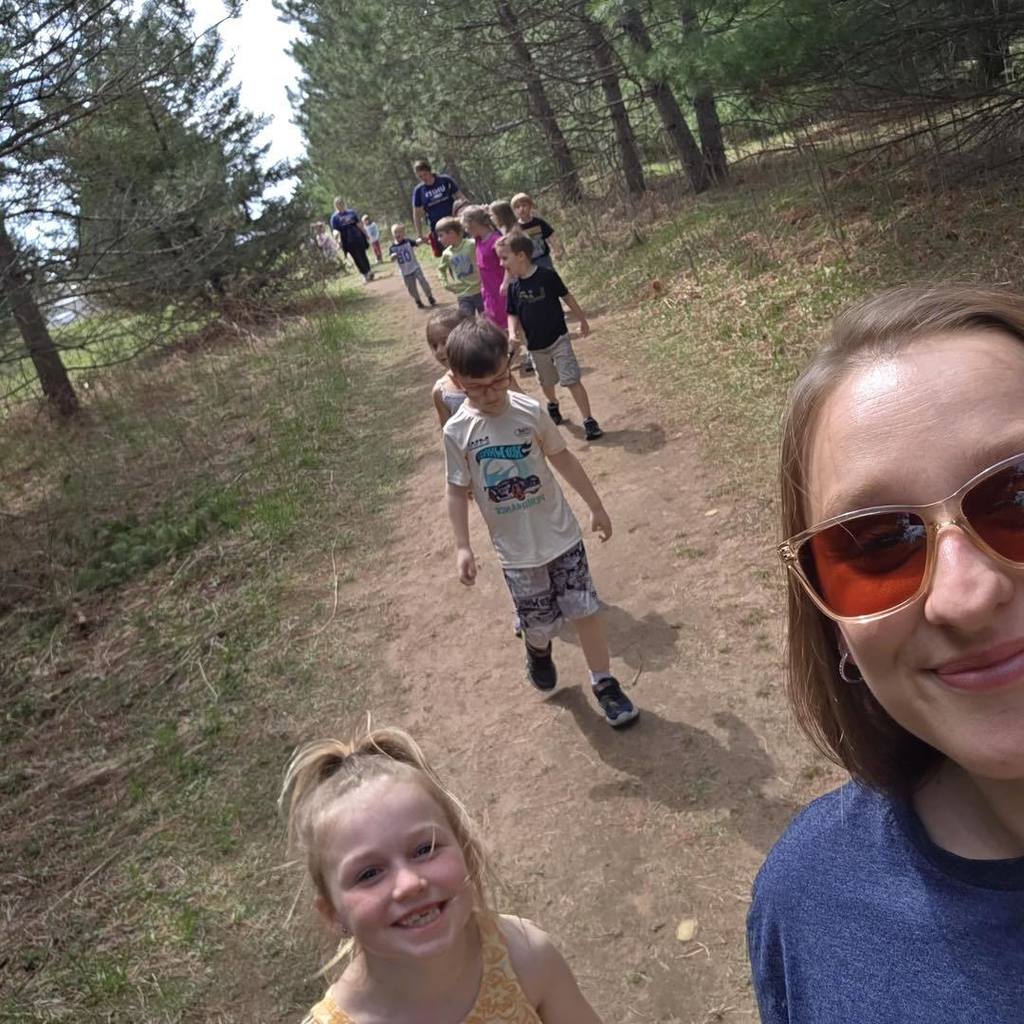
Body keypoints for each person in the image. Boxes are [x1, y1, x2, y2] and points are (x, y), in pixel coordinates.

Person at [748, 285, 1024, 1023]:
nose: (964, 595)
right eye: (876, 545)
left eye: (1018, 496)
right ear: (834, 624)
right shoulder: (807, 903)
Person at [282, 727, 606, 1024]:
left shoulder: (524, 957)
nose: (409, 884)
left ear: (465, 851)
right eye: (369, 873)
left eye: (425, 849)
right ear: (333, 914)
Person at [443, 317, 638, 727]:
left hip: (561, 535)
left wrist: (596, 505)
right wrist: (462, 546)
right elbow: (456, 491)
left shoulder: (530, 411)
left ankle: (604, 683)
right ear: (457, 381)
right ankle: (537, 649)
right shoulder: (457, 431)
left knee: (584, 611)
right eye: (477, 387)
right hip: (517, 552)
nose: (491, 393)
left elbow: (563, 458)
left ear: (508, 365)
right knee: (542, 624)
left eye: (499, 380)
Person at [499, 232, 603, 441]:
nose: (501, 264)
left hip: (558, 338)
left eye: (504, 258)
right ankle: (553, 403)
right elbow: (512, 313)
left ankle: (589, 420)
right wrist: (512, 333)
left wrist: (582, 319)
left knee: (571, 379)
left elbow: (566, 296)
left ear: (521, 256)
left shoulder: (547, 276)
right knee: (546, 382)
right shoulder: (513, 287)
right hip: (535, 345)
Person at [427, 307, 522, 427]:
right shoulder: (441, 392)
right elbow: (448, 429)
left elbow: (523, 403)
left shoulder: (496, 376)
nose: (439, 351)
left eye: (444, 342)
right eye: (434, 345)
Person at [462, 205, 507, 329]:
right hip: (488, 291)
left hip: (500, 290)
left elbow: (509, 264)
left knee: (506, 323)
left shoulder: (496, 241)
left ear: (473, 223)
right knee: (494, 325)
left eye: (466, 226)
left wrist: (506, 282)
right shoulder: (478, 239)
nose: (465, 230)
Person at [412, 159, 466, 257]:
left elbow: (461, 198)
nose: (423, 178)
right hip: (438, 228)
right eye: (420, 176)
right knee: (449, 255)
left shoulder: (445, 180)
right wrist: (420, 234)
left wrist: (466, 214)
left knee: (465, 249)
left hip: (454, 223)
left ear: (429, 171)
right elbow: (417, 214)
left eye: (424, 174)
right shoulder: (419, 191)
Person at [436, 216, 484, 316]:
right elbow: (441, 269)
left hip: (480, 290)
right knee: (467, 321)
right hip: (463, 294)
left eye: (441, 235)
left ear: (451, 233)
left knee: (487, 319)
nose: (438, 239)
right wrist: (445, 284)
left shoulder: (471, 244)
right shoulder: (446, 253)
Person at [389, 223, 436, 310]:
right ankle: (418, 300)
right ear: (392, 234)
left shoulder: (408, 242)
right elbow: (391, 258)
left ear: (404, 233)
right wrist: (393, 256)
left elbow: (417, 243)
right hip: (405, 272)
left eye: (400, 232)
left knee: (423, 282)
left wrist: (423, 240)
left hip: (415, 267)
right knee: (411, 288)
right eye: (395, 232)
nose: (397, 234)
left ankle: (430, 297)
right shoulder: (392, 247)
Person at [511, 193, 562, 271]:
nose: (521, 209)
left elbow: (550, 236)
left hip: (543, 258)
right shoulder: (516, 228)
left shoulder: (538, 222)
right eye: (518, 207)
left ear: (530, 206)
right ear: (514, 211)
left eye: (524, 205)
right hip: (527, 262)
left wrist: (557, 250)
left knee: (549, 275)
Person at [330, 198, 375, 283]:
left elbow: (359, 224)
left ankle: (369, 271)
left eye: (341, 203)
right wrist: (337, 241)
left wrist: (366, 234)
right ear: (335, 206)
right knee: (356, 257)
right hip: (347, 240)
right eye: (338, 204)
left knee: (362, 254)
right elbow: (335, 230)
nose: (340, 205)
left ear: (344, 203)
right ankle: (364, 273)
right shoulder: (334, 218)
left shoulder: (351, 212)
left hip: (357, 236)